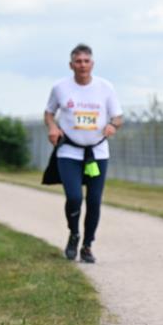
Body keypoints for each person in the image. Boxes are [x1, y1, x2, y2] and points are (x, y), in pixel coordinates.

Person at [44, 43, 123, 263]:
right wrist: (52, 127)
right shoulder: (60, 87)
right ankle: (74, 234)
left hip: (97, 152)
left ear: (92, 63)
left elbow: (118, 116)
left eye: (86, 61)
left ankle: (87, 245)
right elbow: (49, 113)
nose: (82, 65)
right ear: (71, 65)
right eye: (78, 61)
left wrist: (113, 126)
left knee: (94, 201)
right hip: (69, 151)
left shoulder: (105, 87)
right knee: (74, 197)